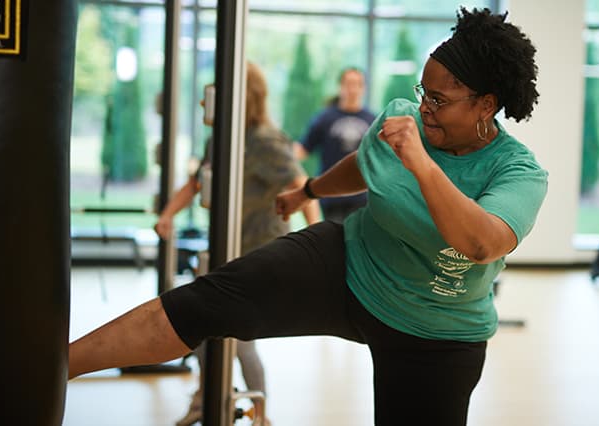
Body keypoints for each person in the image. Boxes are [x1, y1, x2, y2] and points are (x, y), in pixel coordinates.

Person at [69, 8, 547, 425]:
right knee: (204, 300)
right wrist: (308, 190)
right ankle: (55, 367)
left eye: (439, 100)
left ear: (486, 105)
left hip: (437, 330)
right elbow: (365, 163)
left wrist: (422, 164)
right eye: (425, 92)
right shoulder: (402, 119)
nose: (425, 108)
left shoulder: (517, 172)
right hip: (349, 264)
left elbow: (481, 243)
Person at [153, 61, 320, 426]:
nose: (205, 101)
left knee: (237, 340)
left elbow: (302, 186)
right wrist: (167, 214)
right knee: (207, 334)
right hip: (230, 253)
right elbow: (197, 182)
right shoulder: (222, 138)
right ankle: (209, 398)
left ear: (239, 95)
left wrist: (316, 242)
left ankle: (257, 413)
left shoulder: (265, 140)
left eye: (214, 92)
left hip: (261, 257)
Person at [294, 67, 376, 223]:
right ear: (340, 86)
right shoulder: (324, 118)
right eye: (348, 84)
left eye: (357, 84)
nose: (352, 89)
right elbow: (303, 149)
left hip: (362, 196)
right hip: (331, 196)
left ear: (363, 88)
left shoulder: (372, 120)